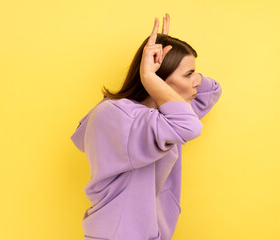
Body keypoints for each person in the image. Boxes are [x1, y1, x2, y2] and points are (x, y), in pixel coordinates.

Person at [70, 13, 222, 240]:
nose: (198, 80)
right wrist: (150, 76)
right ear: (160, 79)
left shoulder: (160, 117)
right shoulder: (119, 116)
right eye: (189, 74)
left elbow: (211, 92)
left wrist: (168, 58)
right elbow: (190, 126)